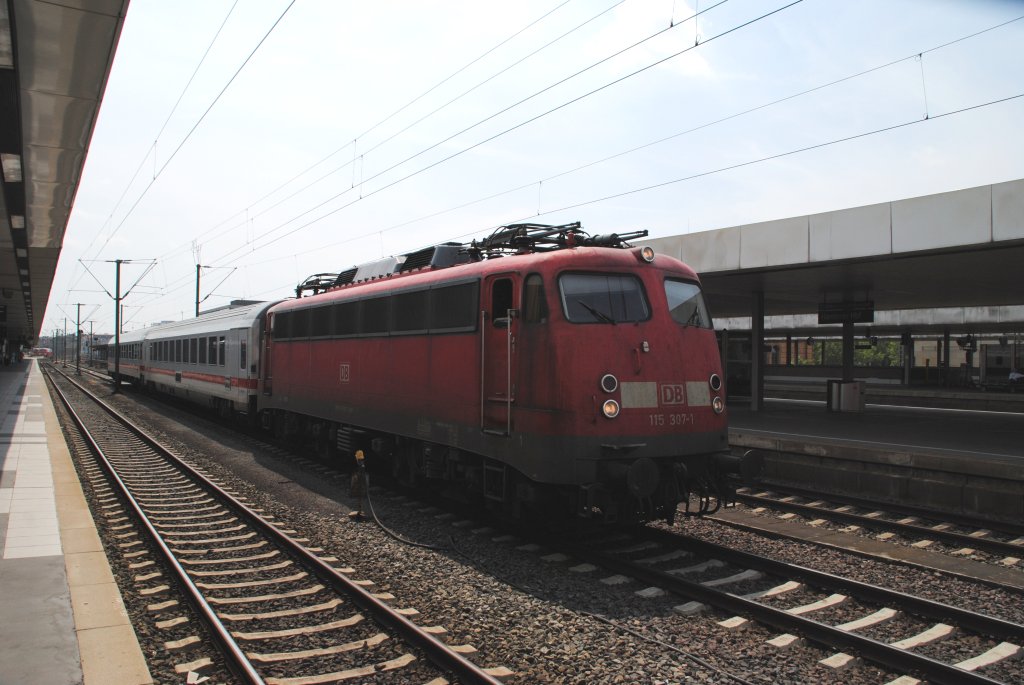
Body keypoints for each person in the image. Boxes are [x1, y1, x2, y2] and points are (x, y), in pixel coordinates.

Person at [348, 449, 367, 520]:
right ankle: (359, 510)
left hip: (360, 486)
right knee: (359, 497)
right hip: (360, 486)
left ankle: (359, 511)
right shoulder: (361, 466)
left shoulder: (361, 467)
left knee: (359, 496)